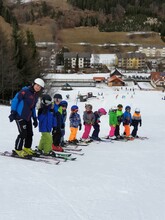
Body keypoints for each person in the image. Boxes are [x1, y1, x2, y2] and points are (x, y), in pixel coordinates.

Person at [8, 78, 45, 158]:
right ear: (33, 84)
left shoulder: (35, 96)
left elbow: (33, 108)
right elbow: (15, 100)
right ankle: (18, 150)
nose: (38, 87)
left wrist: (34, 118)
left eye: (40, 87)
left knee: (30, 134)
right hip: (19, 116)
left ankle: (27, 148)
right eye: (37, 85)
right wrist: (13, 112)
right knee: (23, 133)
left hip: (27, 118)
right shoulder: (25, 91)